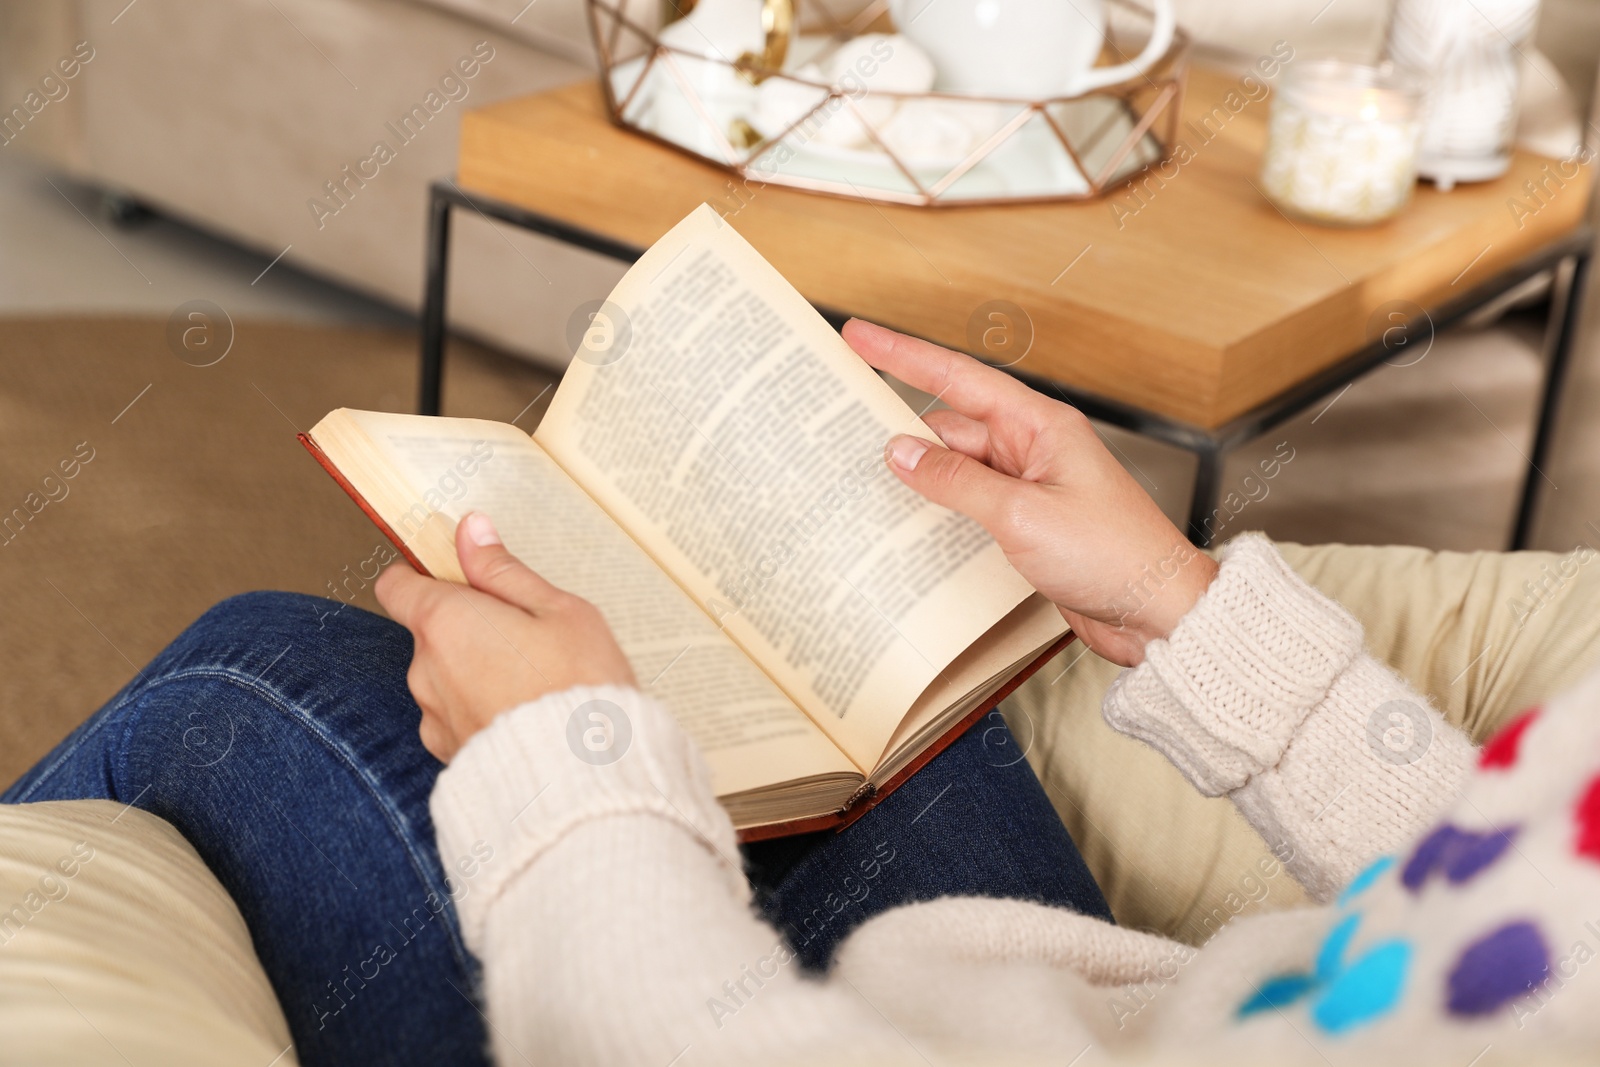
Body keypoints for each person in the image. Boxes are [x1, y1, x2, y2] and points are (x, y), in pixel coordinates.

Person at [7, 320, 1599, 1066]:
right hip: (1049, 1005)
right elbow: (1521, 949)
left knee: (255, 670)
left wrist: (567, 779)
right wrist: (1181, 612)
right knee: (794, 709)